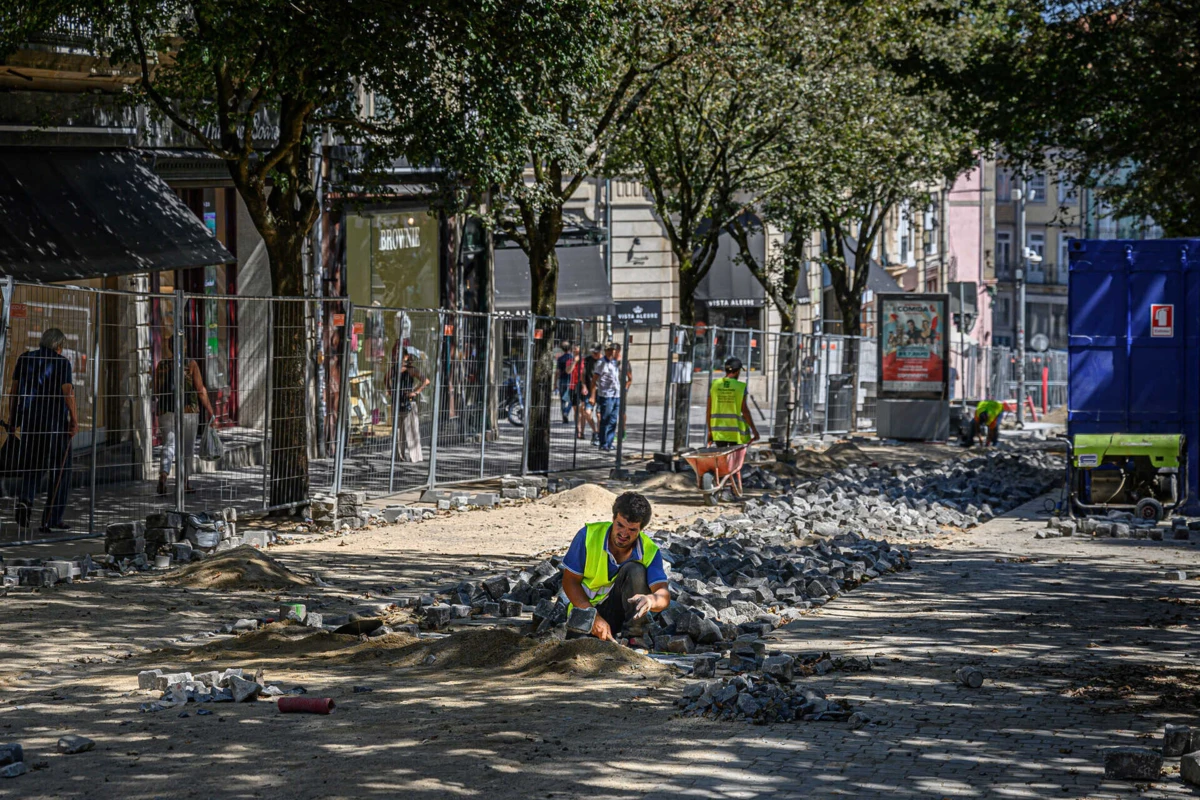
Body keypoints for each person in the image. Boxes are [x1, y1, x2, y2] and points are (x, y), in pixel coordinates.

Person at [560, 491, 670, 643]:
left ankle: (634, 638)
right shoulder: (588, 536)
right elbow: (569, 581)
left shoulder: (649, 550)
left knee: (635, 570)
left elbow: (663, 594)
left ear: (641, 529)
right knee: (579, 645)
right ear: (613, 519)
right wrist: (592, 616)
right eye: (620, 525)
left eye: (632, 530)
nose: (624, 534)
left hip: (620, 615)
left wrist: (651, 600)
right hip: (585, 610)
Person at [6, 328, 79, 532]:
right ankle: (51, 519)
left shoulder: (25, 359)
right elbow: (68, 392)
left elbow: (14, 392)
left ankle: (26, 499)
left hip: (30, 423)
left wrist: (13, 420)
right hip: (55, 425)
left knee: (32, 467)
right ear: (58, 346)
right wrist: (74, 420)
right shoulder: (61, 362)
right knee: (61, 471)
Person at [155, 336, 216, 496]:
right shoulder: (191, 364)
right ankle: (184, 482)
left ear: (169, 347)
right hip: (188, 411)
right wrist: (210, 411)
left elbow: (155, 390)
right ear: (184, 347)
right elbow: (201, 390)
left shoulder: (161, 365)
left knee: (168, 444)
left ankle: (163, 475)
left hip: (166, 410)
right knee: (187, 447)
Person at [706, 356, 760, 496]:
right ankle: (729, 490)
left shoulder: (715, 385)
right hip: (735, 434)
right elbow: (744, 410)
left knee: (721, 462)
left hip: (718, 432)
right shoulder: (740, 387)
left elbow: (709, 409)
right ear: (737, 372)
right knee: (733, 464)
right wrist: (754, 430)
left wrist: (710, 431)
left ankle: (721, 487)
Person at [393, 351, 430, 462]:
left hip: (409, 402)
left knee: (412, 429)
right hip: (397, 401)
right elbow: (386, 379)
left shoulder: (411, 369)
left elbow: (426, 381)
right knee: (399, 430)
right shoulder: (394, 369)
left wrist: (416, 392)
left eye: (401, 355)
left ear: (406, 357)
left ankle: (416, 456)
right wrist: (391, 390)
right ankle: (399, 456)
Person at [590, 343, 622, 451]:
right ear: (605, 351)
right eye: (608, 350)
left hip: (616, 395)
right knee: (605, 419)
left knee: (613, 420)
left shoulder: (614, 363)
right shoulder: (601, 363)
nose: (611, 352)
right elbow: (594, 380)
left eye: (612, 350)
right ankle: (603, 442)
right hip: (606, 395)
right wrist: (593, 396)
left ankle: (610, 442)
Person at [577, 343, 601, 441]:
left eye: (595, 352)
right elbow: (583, 374)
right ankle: (595, 432)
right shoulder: (587, 360)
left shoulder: (603, 361)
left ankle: (599, 434)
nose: (593, 354)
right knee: (587, 412)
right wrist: (583, 385)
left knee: (599, 414)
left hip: (601, 391)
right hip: (590, 389)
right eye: (592, 352)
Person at [555, 340, 573, 424]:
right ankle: (566, 411)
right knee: (572, 398)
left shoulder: (560, 358)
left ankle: (563, 416)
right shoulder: (572, 358)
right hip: (571, 380)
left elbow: (557, 371)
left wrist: (555, 383)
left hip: (562, 380)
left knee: (563, 400)